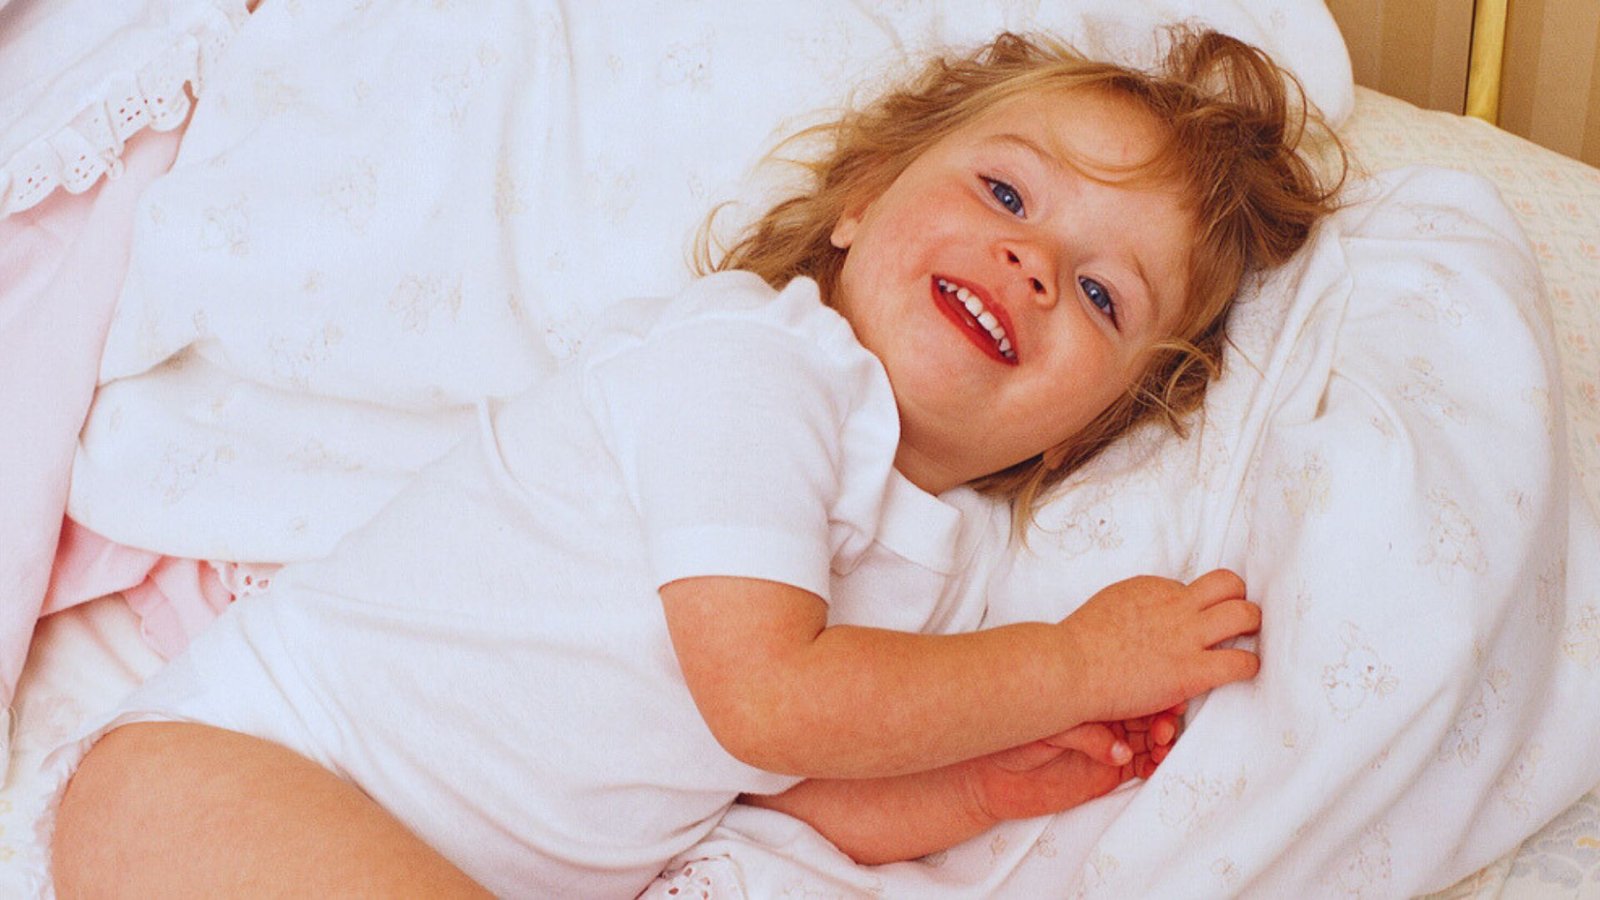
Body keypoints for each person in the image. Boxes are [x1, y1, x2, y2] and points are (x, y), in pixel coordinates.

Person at [49, 27, 1341, 898]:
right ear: (861, 201)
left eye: (1103, 296)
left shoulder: (944, 571)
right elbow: (767, 698)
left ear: (1082, 432)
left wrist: (979, 781)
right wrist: (1071, 662)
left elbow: (798, 792)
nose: (1034, 264)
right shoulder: (759, 366)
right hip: (228, 767)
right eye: (1007, 194)